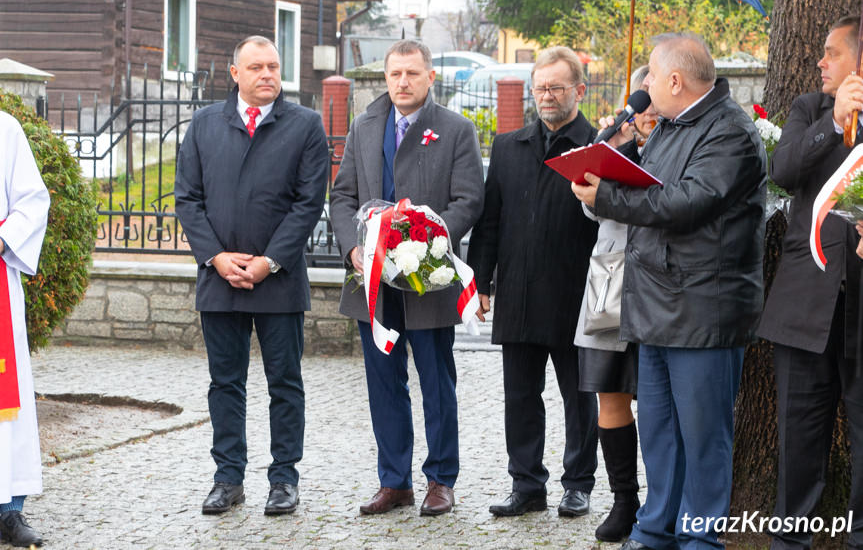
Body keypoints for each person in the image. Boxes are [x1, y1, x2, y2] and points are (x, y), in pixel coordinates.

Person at [572, 33, 766, 550]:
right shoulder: (670, 127)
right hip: (654, 304)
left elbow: (686, 203)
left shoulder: (731, 132)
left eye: (652, 78)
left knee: (704, 439)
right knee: (659, 431)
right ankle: (656, 529)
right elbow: (646, 189)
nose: (647, 88)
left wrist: (610, 196)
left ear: (675, 80)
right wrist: (604, 166)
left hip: (704, 310)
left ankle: (701, 539)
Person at [174, 35, 329, 517]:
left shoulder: (305, 125)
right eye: (256, 66)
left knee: (285, 381)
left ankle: (284, 478)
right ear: (234, 74)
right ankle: (228, 477)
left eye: (274, 66)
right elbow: (187, 199)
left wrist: (269, 262)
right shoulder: (204, 124)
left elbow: (308, 204)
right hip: (219, 280)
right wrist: (217, 257)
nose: (267, 74)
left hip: (278, 281)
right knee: (225, 383)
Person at [330, 39, 484, 517]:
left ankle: (441, 478)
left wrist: (429, 242)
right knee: (383, 383)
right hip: (372, 280)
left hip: (428, 280)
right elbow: (342, 197)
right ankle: (393, 481)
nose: (402, 82)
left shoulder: (456, 130)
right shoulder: (364, 125)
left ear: (430, 76)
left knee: (437, 382)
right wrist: (354, 247)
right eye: (395, 74)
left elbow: (468, 200)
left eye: (412, 74)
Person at [467, 46, 599, 519]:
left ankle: (578, 483)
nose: (545, 96)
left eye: (556, 87)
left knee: (579, 397)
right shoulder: (508, 146)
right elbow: (490, 223)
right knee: (520, 396)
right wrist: (480, 282)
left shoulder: (597, 147)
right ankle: (526, 484)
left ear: (579, 91)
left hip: (574, 294)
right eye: (539, 87)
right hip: (518, 293)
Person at [757, 15, 863, 549]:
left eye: (832, 53)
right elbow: (783, 170)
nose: (820, 61)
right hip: (804, 304)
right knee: (798, 435)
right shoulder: (809, 109)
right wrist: (835, 120)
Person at [574, 65, 655, 544]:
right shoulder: (619, 142)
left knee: (661, 395)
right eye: (638, 104)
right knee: (609, 391)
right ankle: (624, 498)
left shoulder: (682, 144)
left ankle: (665, 495)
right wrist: (616, 146)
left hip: (662, 285)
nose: (645, 113)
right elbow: (589, 204)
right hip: (610, 278)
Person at [0, 111, 50, 548]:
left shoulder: (5, 129)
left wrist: (2, 239)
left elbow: (33, 199)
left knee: (4, 406)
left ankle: (9, 511)